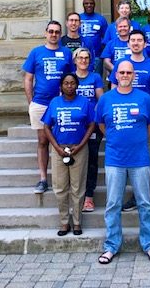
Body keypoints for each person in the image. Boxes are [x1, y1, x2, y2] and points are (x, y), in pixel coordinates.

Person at [95, 61, 150, 264]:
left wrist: (136, 141)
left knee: (145, 203)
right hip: (115, 159)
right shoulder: (106, 99)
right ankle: (112, 245)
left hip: (140, 159)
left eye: (128, 72)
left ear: (134, 75)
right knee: (113, 204)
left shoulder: (145, 98)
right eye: (121, 72)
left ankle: (149, 244)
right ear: (115, 74)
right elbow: (101, 124)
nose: (124, 75)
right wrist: (118, 140)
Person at [109, 29, 150, 211]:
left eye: (139, 40)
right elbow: (112, 90)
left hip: (144, 122)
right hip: (122, 122)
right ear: (128, 44)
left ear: (144, 44)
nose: (135, 43)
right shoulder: (121, 64)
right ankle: (136, 195)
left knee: (144, 159)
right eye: (133, 40)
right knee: (125, 162)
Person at [23, 21, 73, 194]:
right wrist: (31, 102)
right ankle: (43, 179)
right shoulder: (36, 52)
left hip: (60, 103)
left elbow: (71, 78)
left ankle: (62, 178)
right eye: (51, 31)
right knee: (43, 140)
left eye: (57, 32)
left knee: (61, 140)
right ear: (46, 33)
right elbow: (28, 78)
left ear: (60, 35)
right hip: (40, 103)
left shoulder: (66, 53)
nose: (54, 34)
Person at [42, 73, 95, 236]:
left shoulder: (85, 103)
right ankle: (64, 223)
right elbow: (46, 126)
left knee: (78, 187)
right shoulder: (55, 102)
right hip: (59, 149)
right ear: (61, 86)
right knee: (60, 187)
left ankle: (77, 223)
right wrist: (56, 147)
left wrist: (80, 146)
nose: (69, 86)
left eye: (72, 83)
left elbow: (92, 124)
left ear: (77, 85)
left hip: (78, 149)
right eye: (66, 83)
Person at [73, 47, 104, 212]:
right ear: (75, 60)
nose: (83, 60)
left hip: (92, 125)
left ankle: (89, 197)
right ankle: (76, 195)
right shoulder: (70, 78)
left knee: (91, 160)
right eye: (80, 58)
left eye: (86, 58)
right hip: (74, 126)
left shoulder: (95, 77)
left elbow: (101, 99)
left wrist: (94, 114)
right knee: (76, 160)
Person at [79, 0, 108, 74]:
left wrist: (101, 54)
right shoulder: (78, 18)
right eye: (86, 3)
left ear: (94, 4)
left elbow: (106, 39)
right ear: (83, 5)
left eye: (91, 3)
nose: (89, 5)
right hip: (80, 57)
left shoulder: (101, 19)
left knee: (96, 79)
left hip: (96, 57)